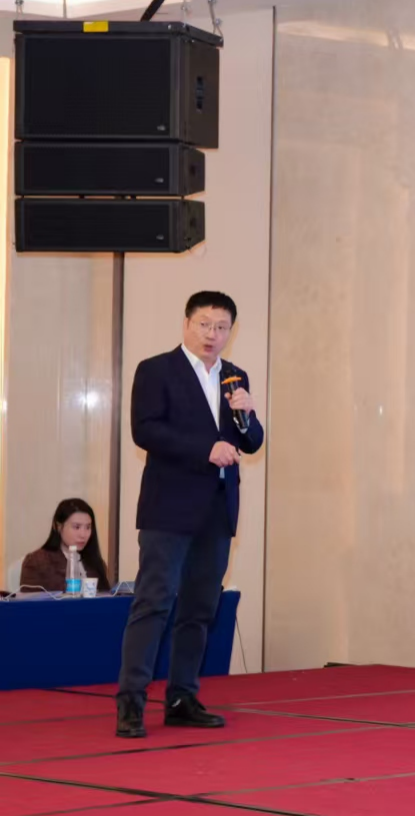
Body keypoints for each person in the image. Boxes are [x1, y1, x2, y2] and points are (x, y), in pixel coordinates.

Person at [116, 291, 263, 739]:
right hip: (168, 508)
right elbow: (145, 430)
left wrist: (247, 415)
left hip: (217, 510)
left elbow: (252, 441)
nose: (212, 334)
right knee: (154, 603)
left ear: (231, 331)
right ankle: (131, 702)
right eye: (204, 324)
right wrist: (205, 449)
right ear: (186, 324)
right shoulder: (156, 370)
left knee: (200, 608)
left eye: (221, 327)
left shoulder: (234, 376)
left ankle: (182, 698)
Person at [20, 498, 111, 593]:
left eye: (88, 527)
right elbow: (30, 601)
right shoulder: (37, 562)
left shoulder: (96, 563)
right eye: (76, 527)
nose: (83, 534)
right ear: (58, 527)